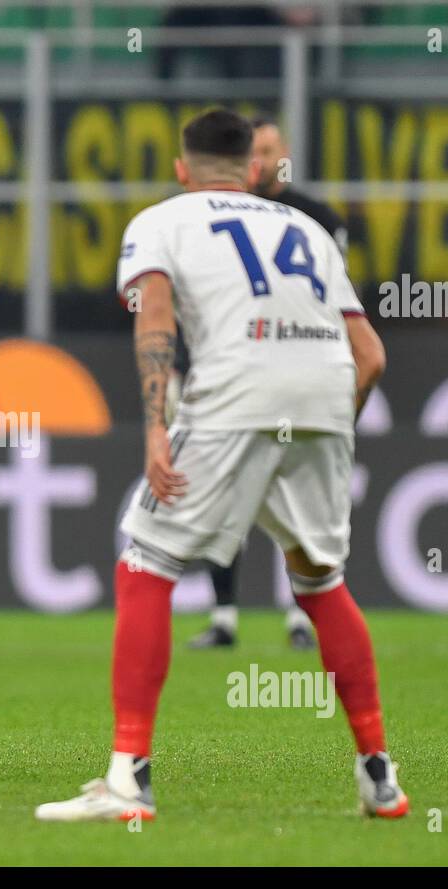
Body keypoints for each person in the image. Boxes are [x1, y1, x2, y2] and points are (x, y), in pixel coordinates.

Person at [36, 109, 404, 822]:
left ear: (183, 168)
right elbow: (373, 357)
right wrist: (330, 431)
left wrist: (154, 427)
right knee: (322, 583)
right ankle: (379, 777)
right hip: (325, 400)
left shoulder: (162, 221)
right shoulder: (307, 232)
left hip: (235, 396)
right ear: (255, 169)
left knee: (145, 561)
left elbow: (156, 319)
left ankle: (127, 779)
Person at [187, 115, 349, 652]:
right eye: (253, 151)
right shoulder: (221, 217)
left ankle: (301, 618)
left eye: (270, 149)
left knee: (295, 506)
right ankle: (225, 616)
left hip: (294, 373)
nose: (261, 160)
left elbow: (335, 300)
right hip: (234, 375)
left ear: (285, 153)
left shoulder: (316, 217)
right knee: (225, 502)